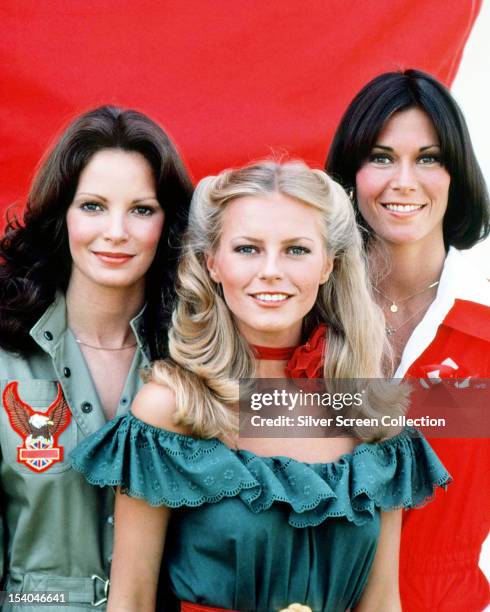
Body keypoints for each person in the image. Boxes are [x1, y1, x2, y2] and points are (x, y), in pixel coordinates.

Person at [72, 160, 450, 612]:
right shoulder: (170, 409)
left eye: (296, 250)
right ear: (212, 262)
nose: (271, 270)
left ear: (329, 264)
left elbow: (384, 603)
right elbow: (131, 599)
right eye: (248, 249)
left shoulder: (372, 417)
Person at [0, 105, 192, 611]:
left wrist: (421, 402)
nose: (115, 232)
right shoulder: (4, 360)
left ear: (168, 223)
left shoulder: (201, 361)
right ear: (61, 214)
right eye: (92, 206)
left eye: (141, 210)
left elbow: (327, 418)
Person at [326, 69, 490, 611]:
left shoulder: (486, 315)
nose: (404, 180)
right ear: (349, 174)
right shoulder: (301, 311)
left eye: (428, 157)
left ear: (457, 172)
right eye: (379, 156)